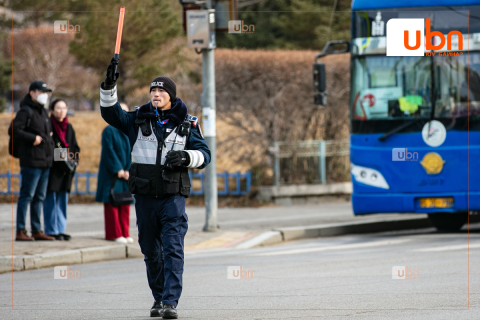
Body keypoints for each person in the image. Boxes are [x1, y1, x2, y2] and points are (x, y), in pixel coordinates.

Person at [100, 57, 211, 319]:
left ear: (170, 96)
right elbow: (110, 113)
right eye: (153, 90)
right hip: (146, 197)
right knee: (151, 250)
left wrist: (186, 157)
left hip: (173, 198)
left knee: (172, 249)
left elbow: (205, 155)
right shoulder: (137, 119)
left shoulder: (188, 123)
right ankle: (159, 297)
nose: (156, 94)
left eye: (161, 91)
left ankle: (170, 302)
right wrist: (108, 86)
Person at [12, 80, 55, 241]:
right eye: (42, 92)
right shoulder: (26, 111)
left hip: (44, 161)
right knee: (27, 195)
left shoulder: (43, 112)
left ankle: (37, 229)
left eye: (46, 93)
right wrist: (33, 138)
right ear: (33, 93)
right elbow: (14, 130)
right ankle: (21, 230)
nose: (44, 95)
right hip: (31, 161)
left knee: (39, 197)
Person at [95, 102, 133, 244]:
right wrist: (119, 170)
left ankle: (125, 232)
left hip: (127, 173)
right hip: (112, 174)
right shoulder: (109, 130)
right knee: (112, 204)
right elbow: (108, 152)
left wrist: (129, 170)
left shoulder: (130, 130)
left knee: (125, 203)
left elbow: (134, 152)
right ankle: (114, 234)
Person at [43, 99, 80, 241]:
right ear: (52, 110)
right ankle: (51, 230)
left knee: (62, 200)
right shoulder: (48, 125)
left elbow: (75, 147)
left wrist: (74, 162)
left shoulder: (69, 127)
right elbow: (49, 147)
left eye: (64, 108)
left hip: (66, 169)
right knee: (50, 200)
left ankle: (60, 229)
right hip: (53, 168)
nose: (61, 111)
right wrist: (63, 158)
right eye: (58, 108)